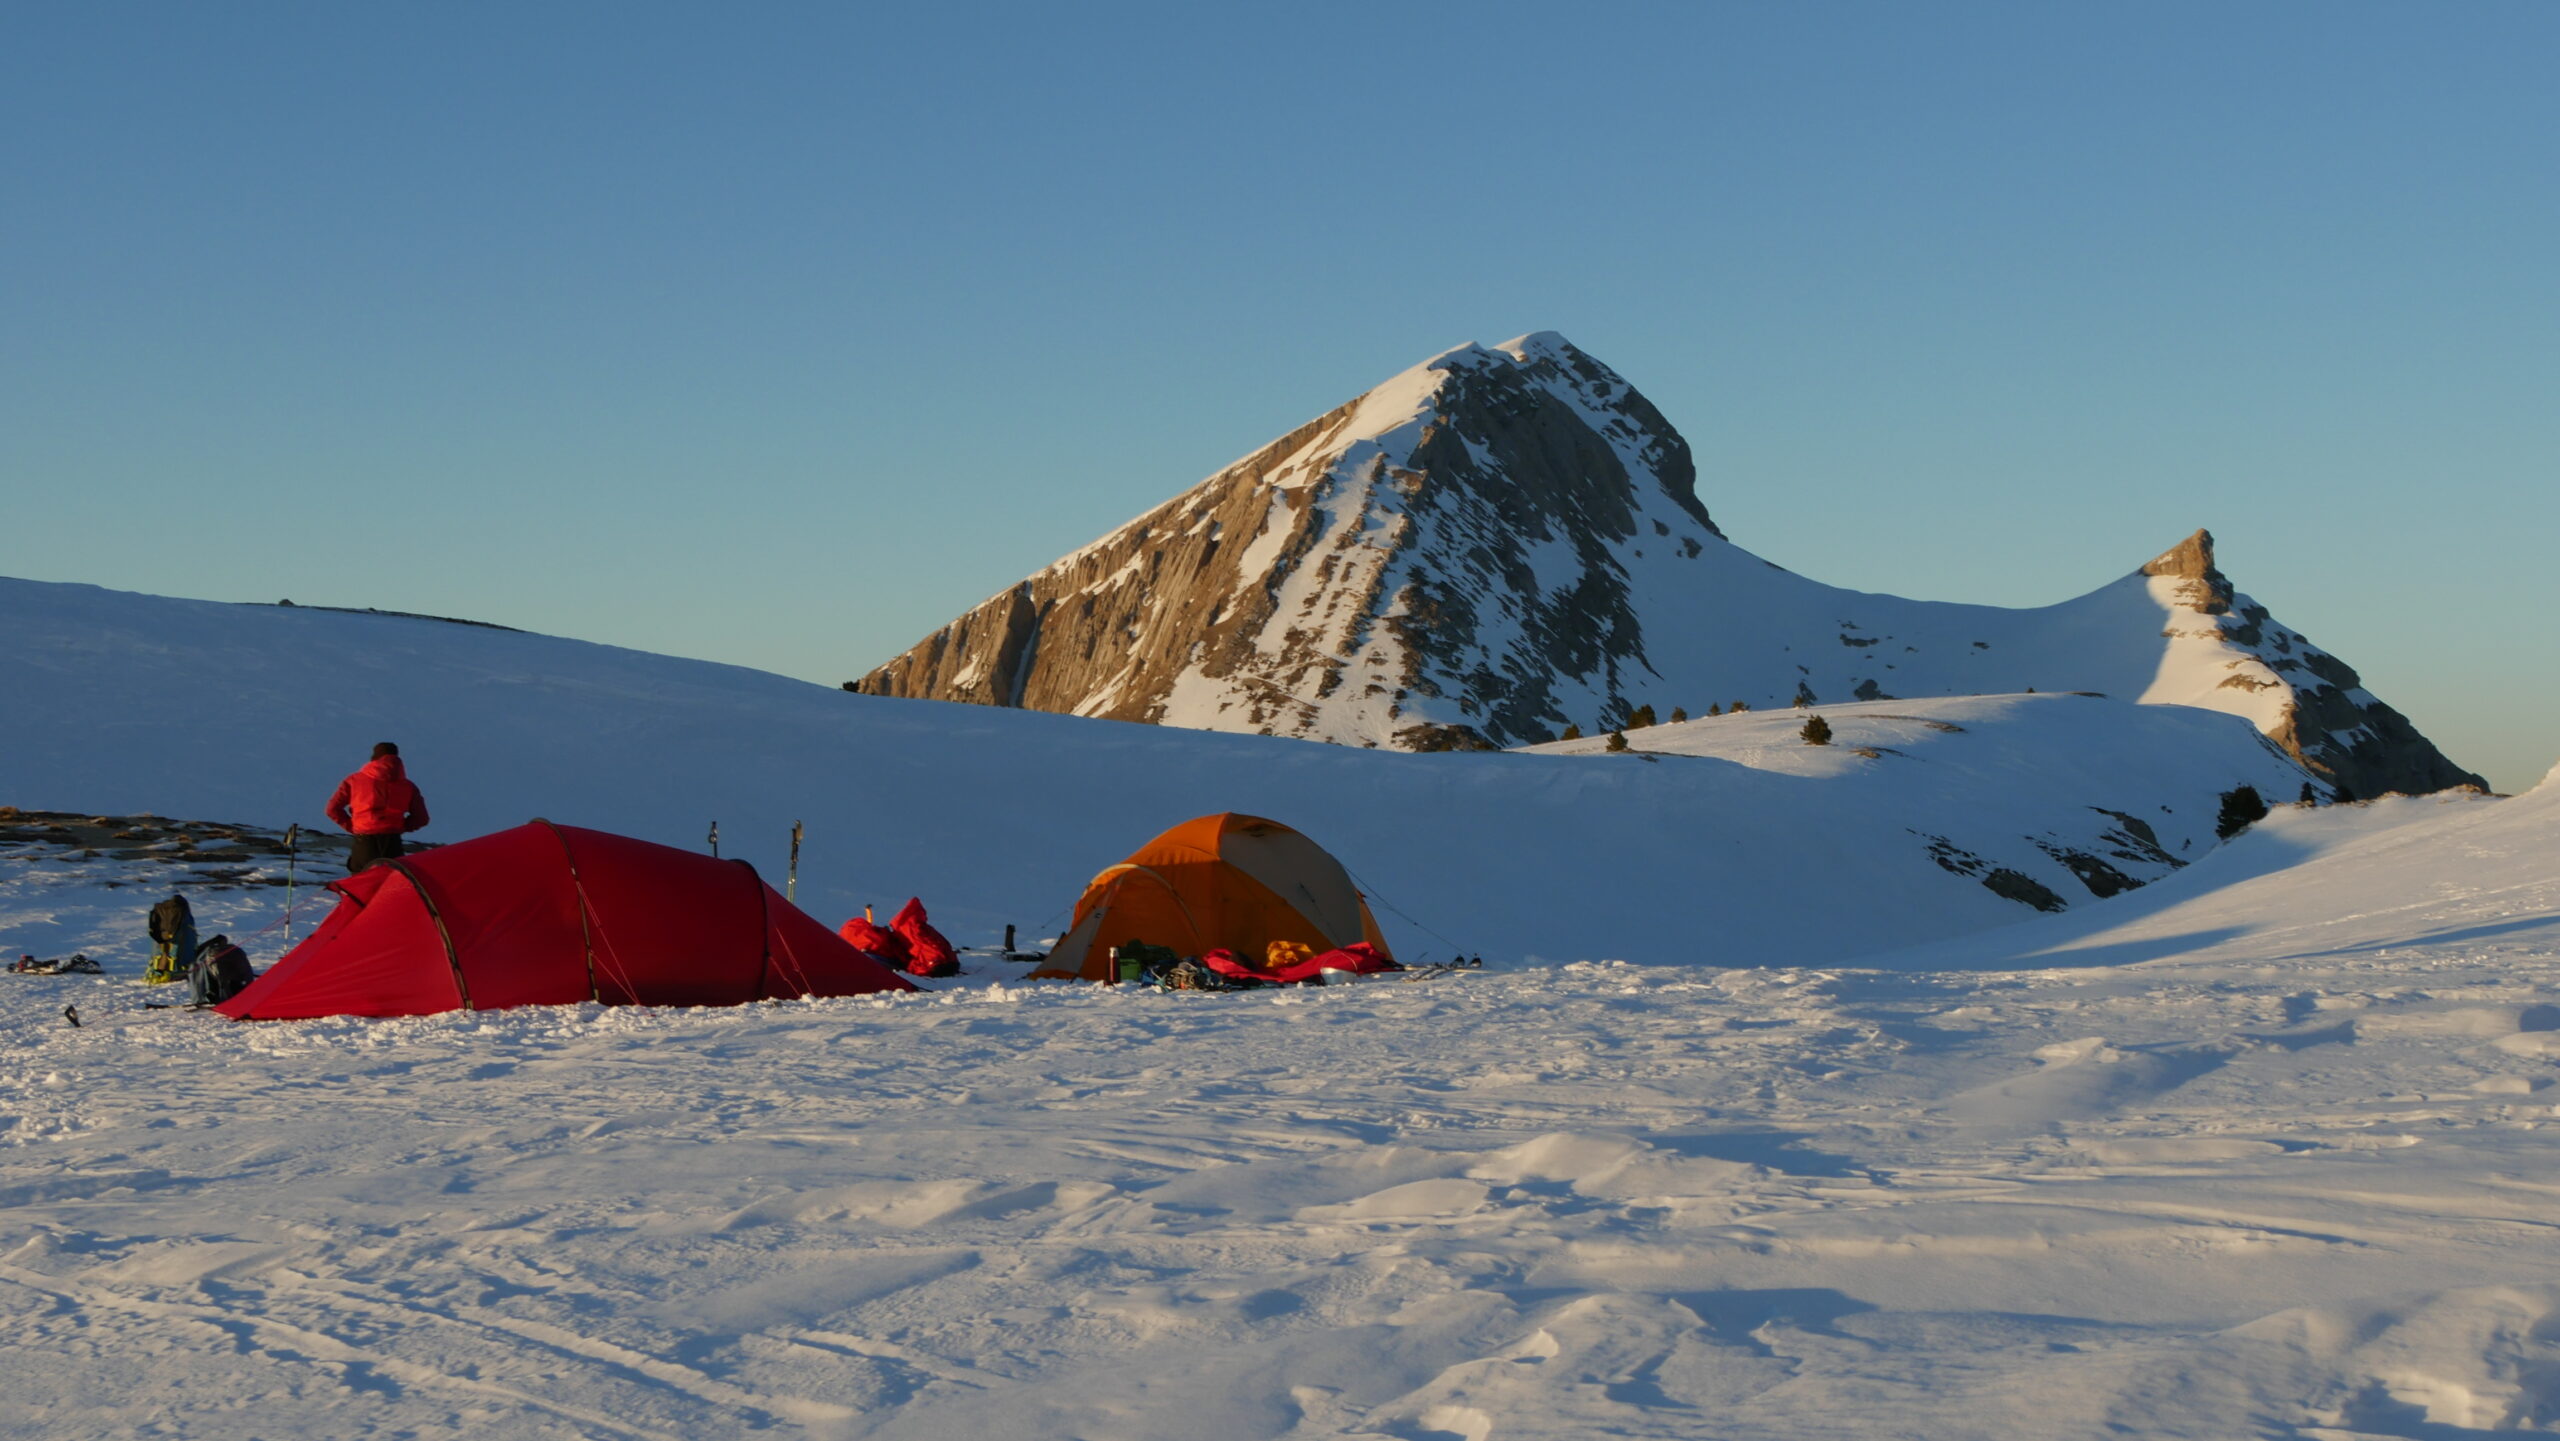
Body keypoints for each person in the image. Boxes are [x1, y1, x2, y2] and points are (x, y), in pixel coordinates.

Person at [326, 741, 430, 873]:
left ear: (374, 758)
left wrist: (352, 826)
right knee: (389, 885)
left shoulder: (354, 781)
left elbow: (332, 809)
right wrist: (402, 826)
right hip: (392, 842)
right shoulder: (408, 786)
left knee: (361, 886)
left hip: (364, 842)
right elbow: (422, 818)